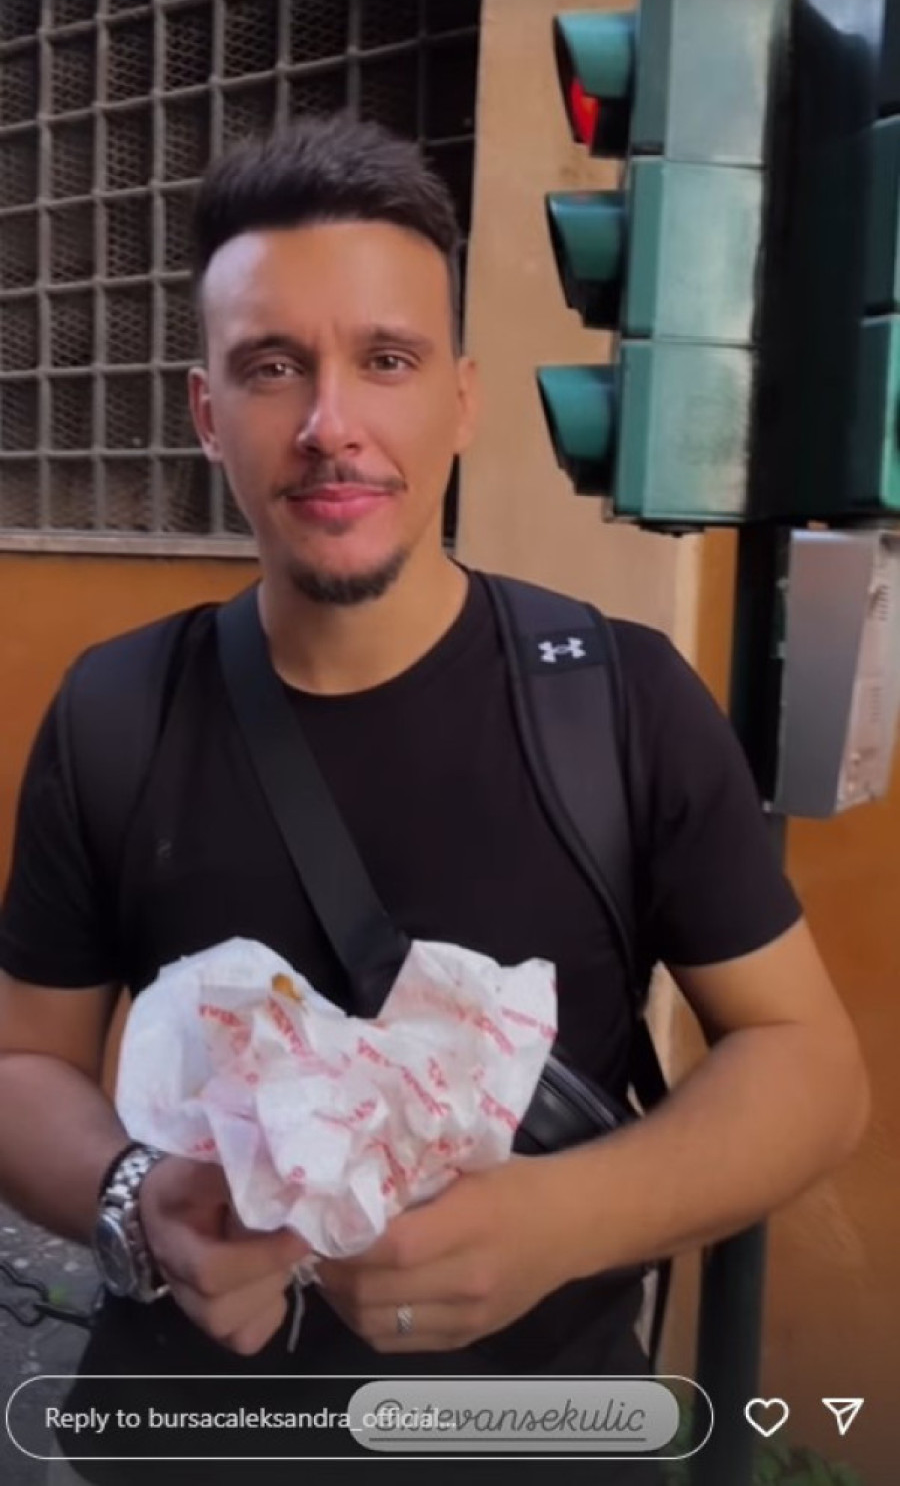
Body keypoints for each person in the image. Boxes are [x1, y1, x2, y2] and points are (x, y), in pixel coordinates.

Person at [0, 114, 869, 1485]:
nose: (331, 425)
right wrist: (137, 1198)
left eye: (386, 360)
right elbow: (23, 1064)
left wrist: (565, 1219)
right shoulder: (117, 712)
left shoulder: (620, 704)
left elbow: (810, 1066)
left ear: (461, 399)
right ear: (207, 414)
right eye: (272, 366)